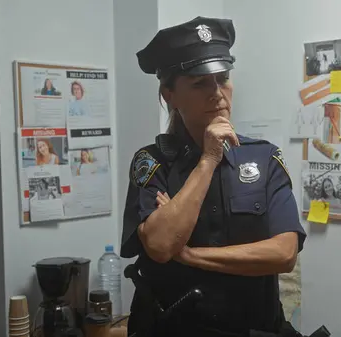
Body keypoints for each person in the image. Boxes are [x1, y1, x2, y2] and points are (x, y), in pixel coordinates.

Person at [120, 16, 306, 337]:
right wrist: (208, 159)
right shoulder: (152, 162)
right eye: (200, 83)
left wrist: (191, 255)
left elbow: (284, 253)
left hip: (254, 328)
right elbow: (162, 246)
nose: (217, 93)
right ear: (169, 94)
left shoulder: (264, 157)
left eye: (223, 79)